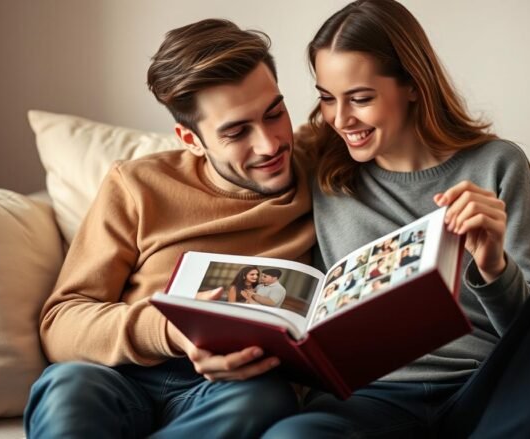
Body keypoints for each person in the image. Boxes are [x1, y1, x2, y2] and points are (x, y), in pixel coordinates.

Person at [263, 1, 530, 438]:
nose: (341, 119)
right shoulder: (319, 168)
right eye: (327, 98)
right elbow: (225, 165)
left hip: (488, 391)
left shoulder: (497, 166)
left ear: (412, 84)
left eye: (361, 98)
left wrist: (494, 265)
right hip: (369, 404)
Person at [24, 19, 316, 438]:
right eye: (236, 132)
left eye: (275, 113)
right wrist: (170, 331)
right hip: (122, 374)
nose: (270, 145)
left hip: (229, 389)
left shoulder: (319, 160)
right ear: (190, 139)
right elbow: (62, 321)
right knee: (69, 386)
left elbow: (406, 134)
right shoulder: (138, 185)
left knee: (267, 399)